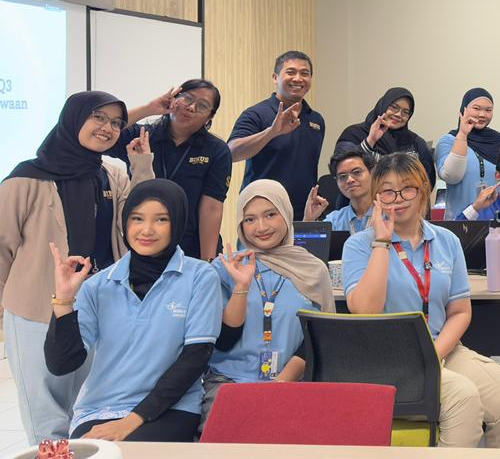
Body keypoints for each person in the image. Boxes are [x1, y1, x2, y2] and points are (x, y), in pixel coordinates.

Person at [343, 152, 500, 448]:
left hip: (442, 350)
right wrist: (382, 241)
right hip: (388, 358)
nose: (398, 199)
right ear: (376, 197)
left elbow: (460, 312)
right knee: (464, 398)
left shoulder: (446, 240)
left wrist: (434, 354)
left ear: (423, 191)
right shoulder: (359, 245)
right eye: (388, 191)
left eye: (407, 189)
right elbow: (365, 310)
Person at [0, 91, 154, 443]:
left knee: (86, 406)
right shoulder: (25, 179)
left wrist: (142, 167)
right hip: (37, 310)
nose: (108, 128)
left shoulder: (109, 174)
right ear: (73, 119)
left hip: (96, 308)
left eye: (116, 123)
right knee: (46, 409)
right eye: (98, 117)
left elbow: (141, 219)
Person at [45, 178, 220, 441]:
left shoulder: (200, 276)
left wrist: (131, 421)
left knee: (127, 451)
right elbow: (62, 364)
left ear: (178, 222)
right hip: (99, 408)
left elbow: (195, 359)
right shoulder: (97, 285)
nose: (147, 230)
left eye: (161, 219)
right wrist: (64, 300)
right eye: (137, 218)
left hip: (172, 408)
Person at [201, 180, 336, 423]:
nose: (260, 227)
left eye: (270, 214)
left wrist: (279, 386)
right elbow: (223, 342)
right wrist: (241, 287)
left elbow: (319, 339)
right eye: (250, 219)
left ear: (286, 213)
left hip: (293, 384)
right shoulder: (225, 268)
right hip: (229, 383)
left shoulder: (313, 270)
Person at [113, 79, 232, 261]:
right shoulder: (143, 137)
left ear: (210, 117)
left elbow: (211, 208)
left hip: (191, 248)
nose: (191, 107)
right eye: (187, 98)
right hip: (146, 243)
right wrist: (149, 108)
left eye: (202, 106)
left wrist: (206, 262)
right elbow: (108, 128)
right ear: (174, 99)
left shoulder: (216, 150)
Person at [228, 51, 325, 220]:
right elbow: (231, 152)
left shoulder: (316, 120)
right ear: (275, 77)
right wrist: (272, 132)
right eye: (291, 72)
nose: (298, 78)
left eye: (305, 73)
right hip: (261, 213)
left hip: (303, 215)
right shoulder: (256, 114)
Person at [333, 87, 435, 184]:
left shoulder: (416, 142)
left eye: (405, 112)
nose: (398, 114)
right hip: (365, 196)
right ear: (383, 106)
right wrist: (370, 141)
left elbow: (428, 179)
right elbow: (342, 169)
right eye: (394, 107)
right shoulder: (354, 134)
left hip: (405, 196)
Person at [437, 88, 500, 219]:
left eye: (488, 110)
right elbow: (452, 176)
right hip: (459, 221)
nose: (482, 114)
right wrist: (463, 134)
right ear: (463, 109)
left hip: (495, 220)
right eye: (476, 108)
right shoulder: (448, 141)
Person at [324, 149, 375, 233]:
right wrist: (309, 219)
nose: (350, 180)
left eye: (357, 172)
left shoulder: (390, 214)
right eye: (343, 176)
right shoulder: (334, 221)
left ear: (372, 173)